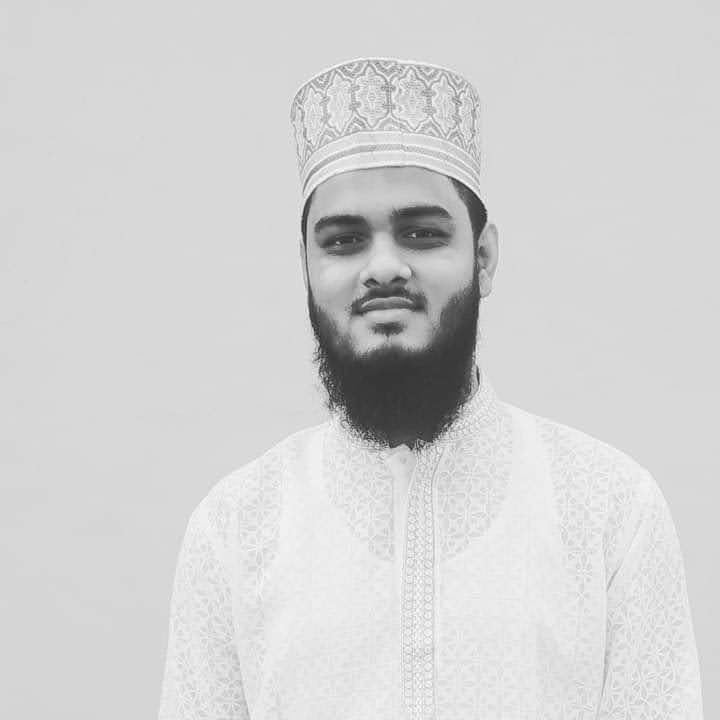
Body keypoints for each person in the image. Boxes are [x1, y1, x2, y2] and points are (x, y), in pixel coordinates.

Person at [158, 57, 704, 719]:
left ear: (484, 257)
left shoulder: (609, 509)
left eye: (421, 234)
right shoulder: (236, 527)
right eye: (344, 241)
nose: (384, 267)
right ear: (305, 266)